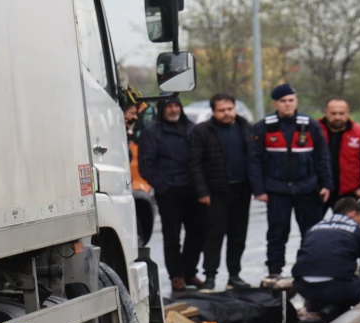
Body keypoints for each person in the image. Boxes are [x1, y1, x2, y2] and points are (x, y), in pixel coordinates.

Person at [249, 83, 332, 282]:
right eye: (283, 101)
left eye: (291, 100)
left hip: (307, 188)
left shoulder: (310, 125)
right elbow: (254, 160)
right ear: (275, 104)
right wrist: (259, 190)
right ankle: (274, 271)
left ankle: (309, 269)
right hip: (277, 189)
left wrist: (326, 184)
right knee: (277, 233)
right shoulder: (263, 127)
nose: (287, 104)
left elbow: (322, 157)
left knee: (311, 233)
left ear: (296, 102)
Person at [138, 95, 204, 293]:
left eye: (176, 106)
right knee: (172, 236)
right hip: (169, 193)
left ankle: (190, 272)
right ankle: (177, 276)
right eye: (169, 106)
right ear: (162, 109)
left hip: (193, 190)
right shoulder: (152, 133)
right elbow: (146, 165)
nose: (174, 110)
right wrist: (162, 186)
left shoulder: (191, 129)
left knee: (197, 233)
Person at [189, 93, 253, 290]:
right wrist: (202, 192)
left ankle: (234, 275)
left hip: (242, 189)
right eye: (221, 110)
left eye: (229, 109)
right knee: (214, 236)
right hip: (215, 192)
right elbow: (194, 163)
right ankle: (210, 276)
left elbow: (255, 158)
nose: (226, 113)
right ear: (213, 111)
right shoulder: (202, 131)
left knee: (238, 235)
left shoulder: (246, 128)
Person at [292, 197, 360, 322]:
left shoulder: (313, 229)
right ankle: (335, 309)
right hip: (338, 287)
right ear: (353, 213)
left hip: (303, 286)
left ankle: (316, 305)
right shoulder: (359, 232)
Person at [320, 97, 360, 210]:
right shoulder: (314, 130)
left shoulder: (358, 132)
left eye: (341, 113)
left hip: (347, 194)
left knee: (348, 222)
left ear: (348, 113)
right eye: (333, 113)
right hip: (319, 191)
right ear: (326, 113)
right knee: (312, 222)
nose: (337, 117)